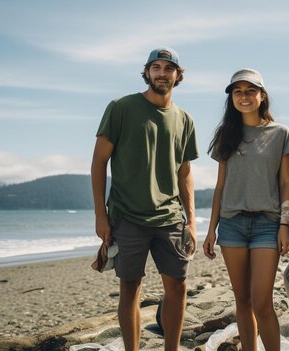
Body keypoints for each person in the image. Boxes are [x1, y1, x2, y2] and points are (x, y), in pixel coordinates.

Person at [91, 47, 198, 351]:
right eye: (156, 67)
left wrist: (190, 220)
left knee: (178, 287)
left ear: (178, 75)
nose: (162, 73)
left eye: (168, 68)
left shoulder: (184, 119)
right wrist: (101, 215)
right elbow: (99, 162)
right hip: (128, 216)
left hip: (170, 218)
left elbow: (185, 172)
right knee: (130, 288)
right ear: (147, 72)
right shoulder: (121, 107)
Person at [203, 68, 289, 351]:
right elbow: (220, 187)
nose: (244, 96)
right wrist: (210, 230)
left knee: (262, 301)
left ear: (262, 95)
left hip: (267, 225)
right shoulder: (226, 135)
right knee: (241, 300)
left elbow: (286, 184)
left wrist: (285, 225)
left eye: (250, 90)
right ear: (231, 98)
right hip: (231, 226)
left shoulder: (280, 133)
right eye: (237, 91)